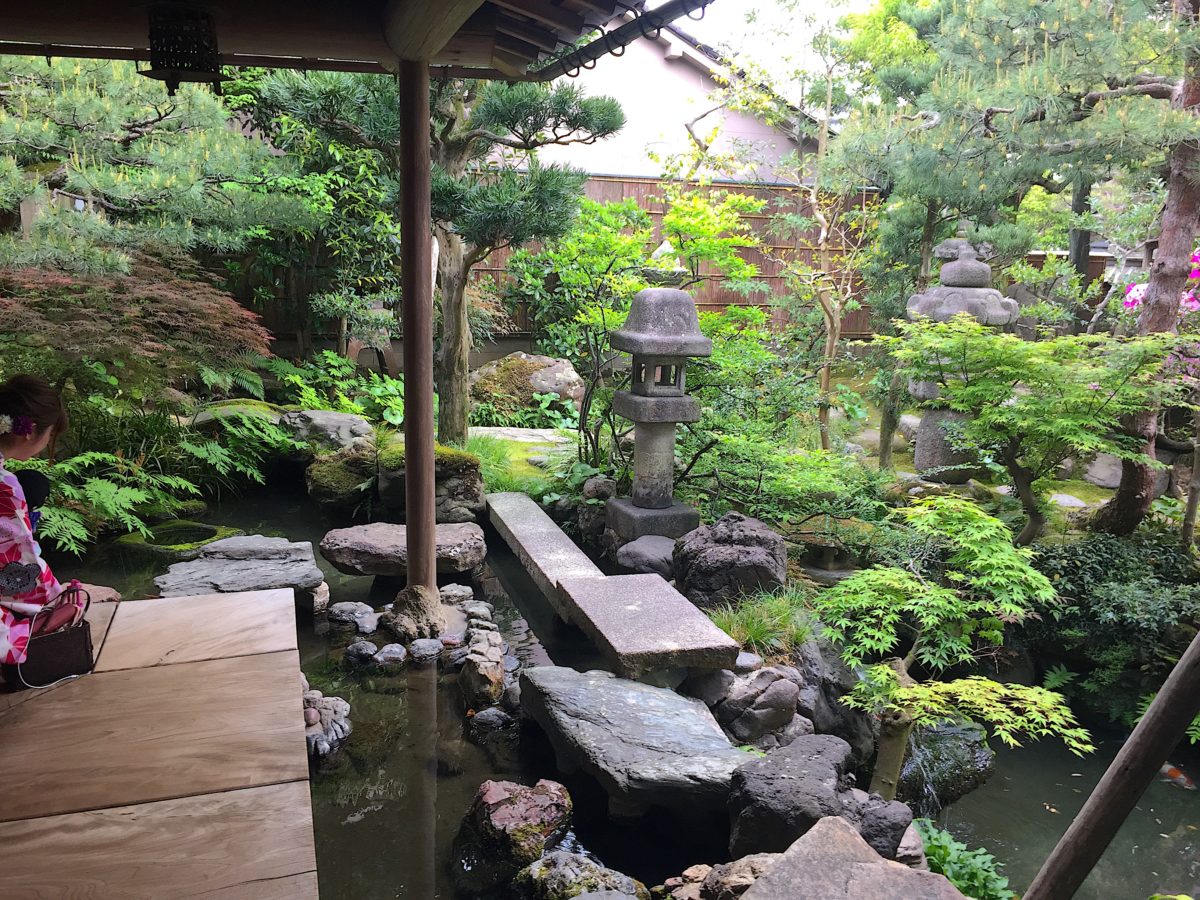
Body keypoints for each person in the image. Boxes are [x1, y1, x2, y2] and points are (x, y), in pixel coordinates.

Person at [0, 374, 83, 666]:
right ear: (30, 431)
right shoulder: (4, 485)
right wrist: (54, 597)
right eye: (50, 435)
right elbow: (16, 563)